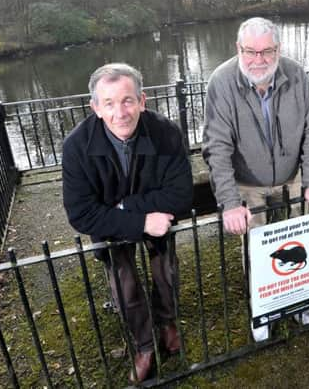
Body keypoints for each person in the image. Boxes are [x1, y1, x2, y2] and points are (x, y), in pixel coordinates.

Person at [62, 63, 193, 383]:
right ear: (95, 108)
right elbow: (80, 213)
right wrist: (138, 221)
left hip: (154, 215)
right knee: (124, 282)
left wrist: (128, 208)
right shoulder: (76, 146)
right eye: (109, 103)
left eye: (127, 100)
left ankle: (167, 322)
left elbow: (180, 195)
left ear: (142, 101)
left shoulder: (166, 133)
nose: (120, 112)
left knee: (165, 270)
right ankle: (144, 345)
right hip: (111, 226)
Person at [202, 17, 309, 341]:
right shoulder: (221, 81)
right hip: (247, 182)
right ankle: (264, 308)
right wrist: (230, 203)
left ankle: (299, 297)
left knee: (304, 238)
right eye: (250, 52)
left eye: (266, 52)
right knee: (256, 248)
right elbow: (216, 147)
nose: (258, 60)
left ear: (278, 49)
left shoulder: (296, 74)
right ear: (238, 49)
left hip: (292, 178)